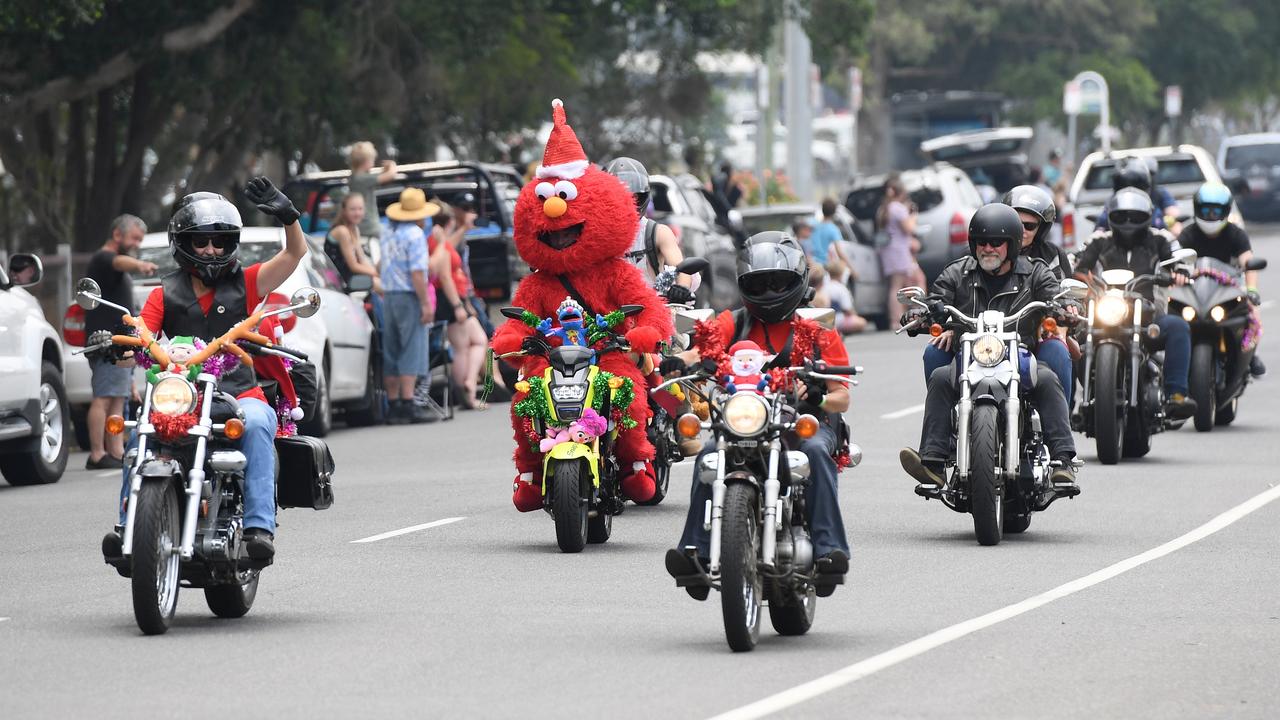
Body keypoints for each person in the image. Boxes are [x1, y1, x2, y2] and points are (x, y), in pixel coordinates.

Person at [101, 177, 307, 563]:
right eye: (201, 241)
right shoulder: (165, 292)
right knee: (138, 436)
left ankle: (259, 529)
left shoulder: (248, 282)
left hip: (240, 392)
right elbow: (142, 333)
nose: (211, 249)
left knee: (261, 424)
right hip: (183, 396)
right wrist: (119, 345)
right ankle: (127, 525)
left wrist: (288, 215)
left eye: (220, 241)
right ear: (183, 243)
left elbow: (295, 254)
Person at [664, 231, 851, 599]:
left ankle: (830, 550)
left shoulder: (815, 328)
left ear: (796, 281)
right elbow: (700, 350)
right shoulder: (736, 321)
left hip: (803, 421)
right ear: (744, 284)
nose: (768, 292)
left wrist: (817, 394)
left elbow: (842, 396)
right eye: (759, 284)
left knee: (813, 454)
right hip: (746, 418)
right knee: (709, 456)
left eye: (777, 283)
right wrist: (673, 360)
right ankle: (696, 552)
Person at [900, 203, 1079, 493]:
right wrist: (920, 314)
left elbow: (1055, 295)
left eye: (996, 242)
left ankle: (1062, 461)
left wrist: (1067, 306)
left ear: (1012, 244)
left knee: (1045, 378)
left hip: (1018, 354)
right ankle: (934, 461)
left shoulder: (1035, 272)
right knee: (941, 376)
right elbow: (936, 298)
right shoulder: (958, 273)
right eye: (982, 242)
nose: (988, 248)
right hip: (971, 357)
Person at [1072, 188, 1197, 418]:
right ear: (1111, 216)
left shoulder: (1161, 238)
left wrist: (1180, 271)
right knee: (1070, 338)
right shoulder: (1098, 240)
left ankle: (1176, 395)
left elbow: (1180, 261)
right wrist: (1076, 275)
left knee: (1179, 327)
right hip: (1105, 311)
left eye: (1135, 216)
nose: (1128, 222)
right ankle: (1070, 402)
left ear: (1148, 216)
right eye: (1122, 216)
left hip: (1148, 313)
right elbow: (1076, 264)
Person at [83, 214, 156, 469]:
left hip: (121, 342)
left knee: (118, 398)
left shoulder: (115, 264)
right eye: (134, 238)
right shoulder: (104, 258)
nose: (137, 243)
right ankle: (97, 453)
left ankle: (115, 452)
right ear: (117, 235)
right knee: (104, 397)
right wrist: (140, 266)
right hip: (105, 342)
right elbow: (120, 262)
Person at [1177, 182, 1265, 377]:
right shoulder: (1188, 233)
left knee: (1253, 312)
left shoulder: (1236, 234)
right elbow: (1177, 259)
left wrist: (1252, 290)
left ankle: (1251, 356)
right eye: (1206, 210)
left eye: (1215, 211)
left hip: (1227, 289)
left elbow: (1248, 261)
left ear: (1225, 211)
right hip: (1194, 290)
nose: (1210, 216)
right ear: (1197, 209)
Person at [1002, 185, 1076, 402]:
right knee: (936, 350)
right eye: (1016, 223)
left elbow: (1064, 294)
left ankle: (1059, 430)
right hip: (985, 338)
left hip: (1036, 332)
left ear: (1040, 229)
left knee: (1057, 350)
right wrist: (951, 325)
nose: (1021, 230)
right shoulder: (980, 251)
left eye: (1029, 225)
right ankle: (942, 432)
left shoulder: (1051, 256)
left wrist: (1062, 319)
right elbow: (955, 291)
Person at [380, 187, 440, 424]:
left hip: (389, 295)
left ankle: (393, 404)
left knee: (392, 348)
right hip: (408, 295)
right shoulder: (415, 236)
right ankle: (408, 403)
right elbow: (417, 273)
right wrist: (426, 303)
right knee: (411, 347)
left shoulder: (388, 232)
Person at [604, 157, 696, 303]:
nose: (627, 204)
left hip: (655, 312)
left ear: (644, 197)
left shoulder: (658, 232)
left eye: (634, 198)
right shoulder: (597, 236)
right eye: (620, 198)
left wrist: (681, 289)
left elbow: (681, 269)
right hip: (610, 317)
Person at [429, 204, 490, 409]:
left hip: (456, 297)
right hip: (450, 298)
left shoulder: (438, 242)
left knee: (478, 340)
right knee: (462, 346)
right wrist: (458, 305)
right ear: (449, 223)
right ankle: (468, 391)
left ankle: (470, 382)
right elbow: (445, 276)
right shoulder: (438, 244)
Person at [878, 174, 926, 330]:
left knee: (898, 284)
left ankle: (899, 318)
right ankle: (897, 319)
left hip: (890, 251)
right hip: (899, 251)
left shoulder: (884, 209)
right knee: (898, 286)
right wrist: (913, 216)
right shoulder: (897, 208)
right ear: (901, 192)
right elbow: (909, 228)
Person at [1093, 157, 1179, 233]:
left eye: (1137, 185)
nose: (1130, 191)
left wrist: (1169, 227)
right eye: (1124, 186)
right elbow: (1101, 228)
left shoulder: (1157, 198)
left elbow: (1172, 212)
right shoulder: (1113, 203)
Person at [324, 192, 382, 293]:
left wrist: (377, 272)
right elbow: (353, 266)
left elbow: (362, 261)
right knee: (386, 286)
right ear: (344, 210)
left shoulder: (354, 229)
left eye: (360, 209)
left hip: (352, 277)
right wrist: (377, 274)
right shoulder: (342, 231)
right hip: (340, 281)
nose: (357, 213)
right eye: (353, 209)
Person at [347, 141, 398, 241]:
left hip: (360, 226)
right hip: (369, 226)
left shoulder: (354, 177)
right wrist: (392, 165)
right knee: (394, 235)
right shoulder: (362, 178)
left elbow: (378, 177)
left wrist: (385, 170)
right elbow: (390, 175)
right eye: (372, 160)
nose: (374, 163)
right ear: (366, 162)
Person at [809, 198, 849, 268]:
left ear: (822, 209)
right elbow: (839, 252)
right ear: (834, 212)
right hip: (824, 266)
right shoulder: (833, 229)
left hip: (811, 264)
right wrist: (851, 269)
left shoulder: (813, 224)